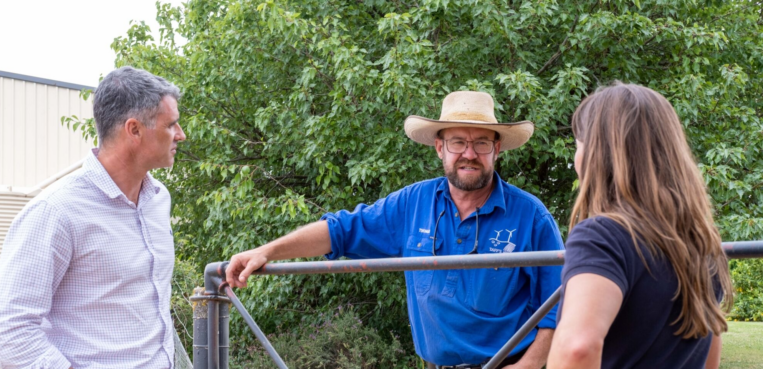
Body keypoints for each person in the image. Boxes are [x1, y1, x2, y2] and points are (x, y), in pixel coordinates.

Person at [226, 91, 564, 368]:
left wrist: (526, 368)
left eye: (482, 144)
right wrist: (266, 252)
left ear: (497, 149)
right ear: (440, 148)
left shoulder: (531, 216)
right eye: (458, 142)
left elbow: (557, 305)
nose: (469, 154)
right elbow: (341, 230)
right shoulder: (412, 203)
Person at [0, 66, 186, 369]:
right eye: (171, 126)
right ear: (134, 130)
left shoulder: (158, 199)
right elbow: (8, 331)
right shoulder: (55, 212)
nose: (181, 135)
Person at [546, 83, 732, 369]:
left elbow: (577, 349)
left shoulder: (602, 237)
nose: (576, 158)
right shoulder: (702, 242)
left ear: (598, 154)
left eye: (579, 145)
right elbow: (710, 357)